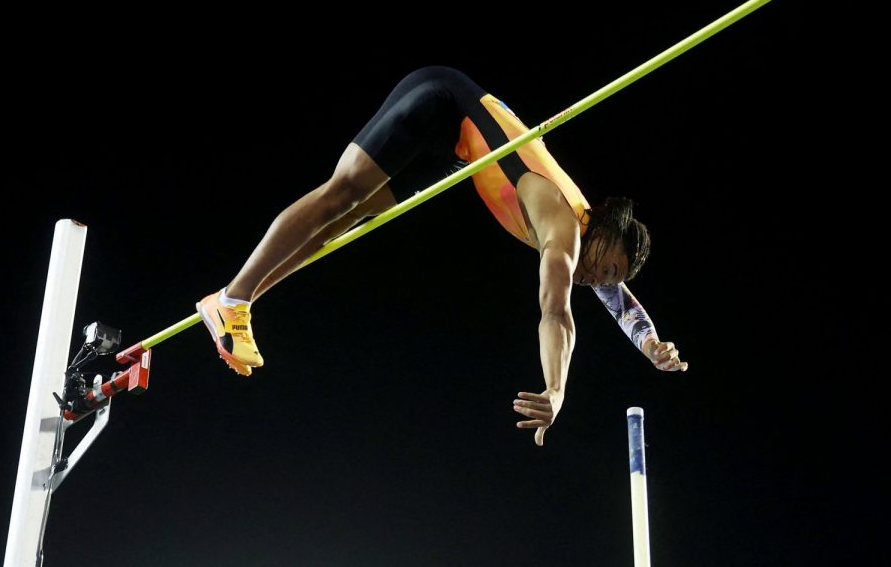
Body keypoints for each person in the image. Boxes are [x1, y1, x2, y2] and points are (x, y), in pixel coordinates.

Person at [196, 66, 686, 446]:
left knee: (346, 222)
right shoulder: (564, 235)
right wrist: (555, 390)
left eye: (609, 276)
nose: (599, 277)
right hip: (444, 102)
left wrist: (651, 344)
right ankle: (234, 299)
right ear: (599, 229)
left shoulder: (587, 241)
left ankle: (232, 300)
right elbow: (556, 314)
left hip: (455, 149)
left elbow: (622, 305)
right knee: (340, 195)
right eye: (607, 266)